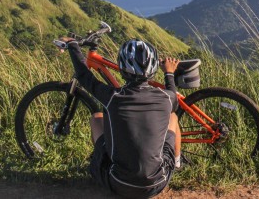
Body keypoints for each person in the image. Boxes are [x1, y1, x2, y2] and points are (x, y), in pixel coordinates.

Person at [59, 37, 182, 198]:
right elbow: (173, 93)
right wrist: (169, 72)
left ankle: (100, 161)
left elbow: (83, 75)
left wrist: (73, 45)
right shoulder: (167, 98)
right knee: (172, 117)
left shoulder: (112, 97)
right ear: (153, 69)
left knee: (97, 118)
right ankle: (178, 163)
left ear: (122, 69)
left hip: (119, 183)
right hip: (157, 184)